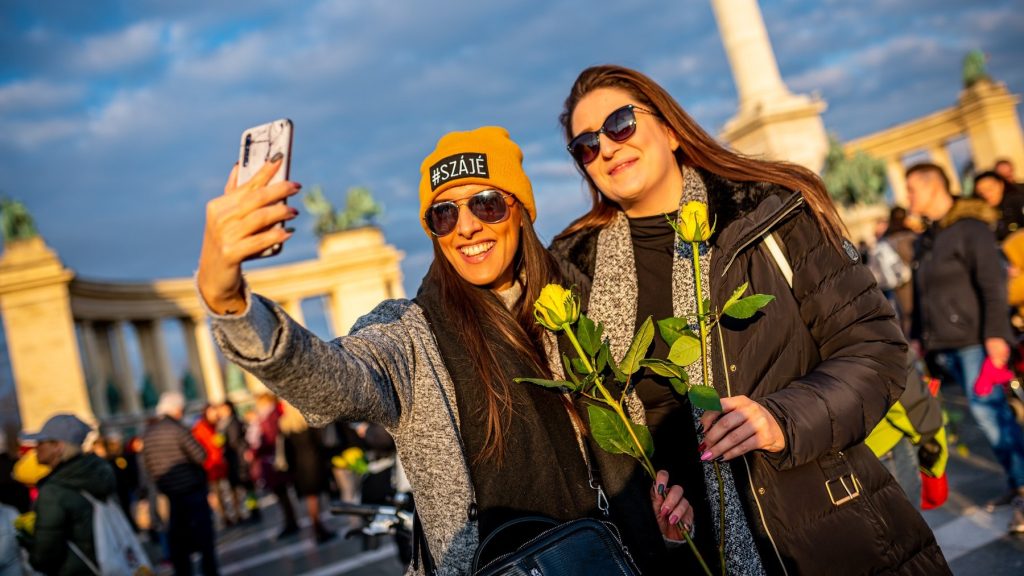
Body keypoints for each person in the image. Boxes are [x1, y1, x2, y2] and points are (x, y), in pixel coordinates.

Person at [198, 126, 694, 574]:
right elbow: (333, 381)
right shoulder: (411, 335)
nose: (467, 226)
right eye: (444, 213)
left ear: (520, 211)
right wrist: (230, 303)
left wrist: (665, 530)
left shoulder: (583, 307)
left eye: (487, 203)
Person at [549, 65, 949, 574]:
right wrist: (653, 516)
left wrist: (781, 418)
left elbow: (877, 351)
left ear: (670, 129)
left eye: (621, 123)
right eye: (585, 144)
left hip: (826, 532)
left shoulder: (767, 215)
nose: (604, 147)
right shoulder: (577, 271)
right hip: (693, 556)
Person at [906, 161, 1024, 534]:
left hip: (976, 340)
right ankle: (1016, 482)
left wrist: (995, 335)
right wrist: (920, 337)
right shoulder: (929, 237)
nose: (907, 197)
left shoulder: (970, 229)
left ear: (933, 187)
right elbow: (924, 296)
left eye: (912, 189)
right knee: (990, 415)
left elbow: (992, 285)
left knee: (989, 413)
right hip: (947, 344)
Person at [19, 413, 114, 576]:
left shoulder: (54, 491)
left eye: (41, 442)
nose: (36, 448)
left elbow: (45, 555)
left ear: (59, 446)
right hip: (108, 564)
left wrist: (29, 542)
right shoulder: (96, 473)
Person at [142, 392, 220, 576]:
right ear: (177, 410)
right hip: (192, 492)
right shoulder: (178, 429)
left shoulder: (149, 434)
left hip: (169, 495)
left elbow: (148, 466)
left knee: (179, 545)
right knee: (204, 542)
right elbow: (200, 455)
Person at [278, 401, 336, 544]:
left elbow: (288, 451)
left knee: (310, 498)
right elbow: (320, 443)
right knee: (315, 498)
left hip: (300, 467)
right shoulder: (306, 422)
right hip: (314, 463)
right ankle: (318, 527)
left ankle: (317, 526)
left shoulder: (285, 425)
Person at [972, 169, 1024, 242]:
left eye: (990, 189)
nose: (987, 195)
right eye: (981, 193)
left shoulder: (1016, 202)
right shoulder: (982, 212)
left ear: (1001, 185)